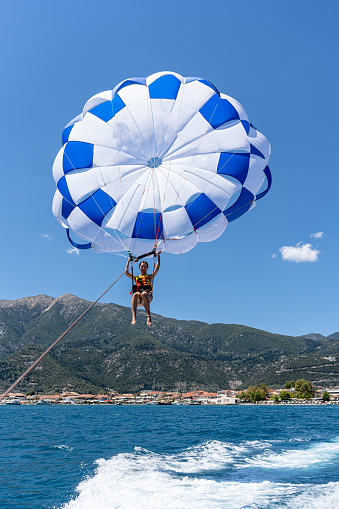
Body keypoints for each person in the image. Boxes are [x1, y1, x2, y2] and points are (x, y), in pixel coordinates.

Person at [125, 253, 160, 326]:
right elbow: (126, 273)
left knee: (144, 293)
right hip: (138, 298)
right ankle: (134, 317)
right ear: (139, 267)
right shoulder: (136, 277)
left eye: (145, 267)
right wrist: (128, 261)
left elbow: (157, 269)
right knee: (134, 294)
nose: (143, 268)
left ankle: (148, 316)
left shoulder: (150, 277)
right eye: (142, 266)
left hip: (147, 296)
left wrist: (158, 257)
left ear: (147, 268)